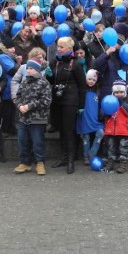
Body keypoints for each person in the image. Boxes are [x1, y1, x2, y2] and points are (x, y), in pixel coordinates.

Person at [45, 36, 87, 174]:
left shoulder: (76, 64)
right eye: (58, 46)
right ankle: (63, 157)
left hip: (70, 100)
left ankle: (70, 160)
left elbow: (82, 86)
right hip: (57, 100)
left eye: (62, 47)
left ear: (69, 48)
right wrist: (49, 76)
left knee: (68, 130)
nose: (58, 49)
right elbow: (52, 81)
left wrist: (81, 105)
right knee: (61, 130)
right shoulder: (55, 62)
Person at [14, 58, 52, 176]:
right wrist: (20, 105)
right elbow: (18, 96)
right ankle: (25, 162)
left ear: (37, 70)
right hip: (24, 118)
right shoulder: (24, 82)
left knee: (37, 142)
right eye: (28, 68)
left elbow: (46, 101)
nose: (29, 71)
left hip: (38, 118)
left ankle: (40, 162)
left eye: (31, 68)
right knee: (22, 141)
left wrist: (30, 106)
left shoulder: (44, 83)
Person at [104, 79, 128, 174]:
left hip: (123, 129)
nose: (119, 94)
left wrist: (122, 103)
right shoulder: (109, 101)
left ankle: (123, 163)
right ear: (113, 93)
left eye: (121, 92)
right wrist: (107, 112)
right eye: (116, 92)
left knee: (123, 147)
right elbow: (103, 114)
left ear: (125, 92)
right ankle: (111, 162)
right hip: (111, 129)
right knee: (111, 147)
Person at [76, 69, 104, 166]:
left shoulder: (98, 91)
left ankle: (91, 154)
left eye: (93, 80)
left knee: (100, 133)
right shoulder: (82, 90)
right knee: (85, 138)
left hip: (95, 118)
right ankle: (85, 157)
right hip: (84, 118)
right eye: (89, 79)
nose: (91, 81)